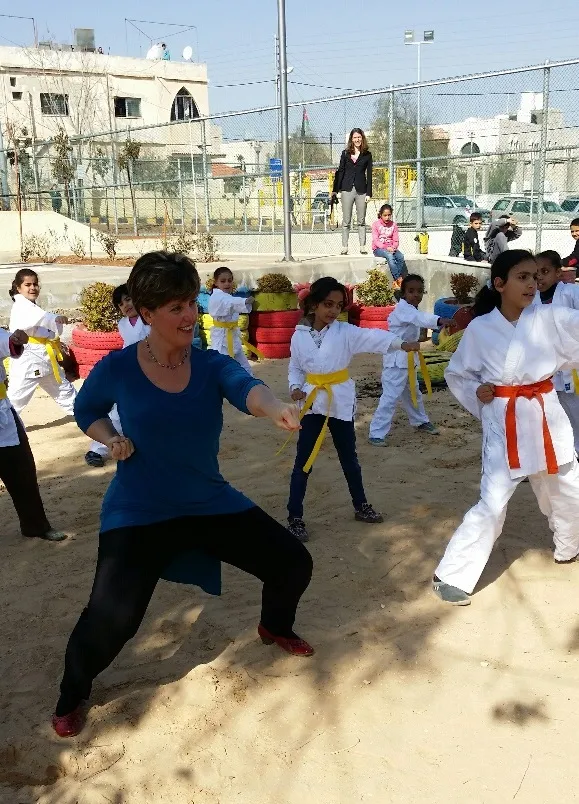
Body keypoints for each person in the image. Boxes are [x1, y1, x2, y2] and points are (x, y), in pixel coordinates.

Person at [52, 251, 313, 739]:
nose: (190, 315)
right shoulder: (120, 366)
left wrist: (275, 405)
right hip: (139, 509)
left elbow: (246, 387)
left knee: (293, 564)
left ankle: (274, 626)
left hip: (207, 501)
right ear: (146, 313)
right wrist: (110, 437)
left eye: (192, 302)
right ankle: (72, 694)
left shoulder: (210, 364)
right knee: (112, 619)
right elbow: (87, 407)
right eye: (176, 307)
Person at [433, 250, 579, 606]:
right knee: (494, 501)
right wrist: (477, 391)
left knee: (568, 486)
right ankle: (451, 574)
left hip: (546, 412)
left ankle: (569, 545)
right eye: (522, 277)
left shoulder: (552, 318)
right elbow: (458, 374)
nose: (532, 284)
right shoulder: (481, 329)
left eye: (535, 277)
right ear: (499, 284)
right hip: (505, 418)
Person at [285, 276, 420, 543]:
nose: (333, 311)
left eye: (338, 306)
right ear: (313, 304)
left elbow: (372, 337)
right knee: (304, 461)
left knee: (349, 458)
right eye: (328, 304)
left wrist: (400, 344)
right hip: (312, 402)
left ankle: (361, 505)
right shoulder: (299, 336)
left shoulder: (345, 332)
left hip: (340, 401)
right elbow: (296, 367)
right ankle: (294, 516)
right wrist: (295, 387)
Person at [368, 275, 453, 445]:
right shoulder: (403, 310)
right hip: (396, 362)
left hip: (409, 360)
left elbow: (418, 317)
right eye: (411, 291)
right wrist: (440, 320)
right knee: (390, 397)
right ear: (403, 293)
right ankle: (376, 433)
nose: (416, 295)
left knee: (413, 392)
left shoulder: (411, 310)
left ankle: (420, 420)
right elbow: (419, 318)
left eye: (419, 291)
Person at [0, 327, 66, 542]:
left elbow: (7, 342)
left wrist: (16, 339)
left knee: (21, 470)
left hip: (2, 416)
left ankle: (35, 526)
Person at [84, 284, 150, 468]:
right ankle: (99, 449)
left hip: (154, 371)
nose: (126, 305)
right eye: (121, 304)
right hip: (130, 372)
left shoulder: (151, 318)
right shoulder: (123, 325)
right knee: (118, 410)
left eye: (128, 299)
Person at [8, 269, 76, 418]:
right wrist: (56, 318)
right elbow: (43, 317)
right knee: (14, 402)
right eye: (28, 285)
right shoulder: (22, 306)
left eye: (35, 284)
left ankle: (88, 416)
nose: (33, 288)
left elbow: (42, 320)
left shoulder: (30, 305)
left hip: (45, 359)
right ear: (18, 288)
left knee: (66, 392)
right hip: (28, 362)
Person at [533, 250, 579, 453]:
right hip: (547, 367)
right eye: (536, 273)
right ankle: (564, 451)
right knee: (555, 411)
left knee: (575, 410)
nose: (539, 277)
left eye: (545, 271)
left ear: (558, 273)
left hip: (572, 366)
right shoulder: (532, 298)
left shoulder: (571, 293)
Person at [332, 128, 372, 255]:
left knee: (361, 220)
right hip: (347, 189)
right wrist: (335, 190)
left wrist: (369, 193)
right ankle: (344, 247)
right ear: (351, 139)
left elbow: (369, 174)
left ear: (362, 138)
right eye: (355, 137)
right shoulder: (345, 154)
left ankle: (362, 246)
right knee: (346, 220)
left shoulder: (367, 155)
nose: (357, 139)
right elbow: (340, 171)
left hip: (361, 191)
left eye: (359, 137)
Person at [208, 267, 254, 374]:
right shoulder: (216, 297)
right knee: (221, 368)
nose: (227, 284)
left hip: (233, 336)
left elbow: (231, 302)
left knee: (245, 367)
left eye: (229, 280)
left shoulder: (228, 296)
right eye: (223, 281)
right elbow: (230, 302)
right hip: (222, 340)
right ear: (216, 282)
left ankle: (250, 382)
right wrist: (245, 301)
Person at [371, 204, 407, 285]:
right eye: (385, 215)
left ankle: (396, 281)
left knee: (400, 256)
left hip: (391, 248)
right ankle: (398, 279)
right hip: (378, 249)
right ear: (381, 215)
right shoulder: (375, 224)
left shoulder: (394, 225)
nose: (387, 217)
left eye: (389, 215)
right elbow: (376, 241)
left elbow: (396, 240)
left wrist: (393, 247)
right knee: (390, 256)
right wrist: (386, 248)